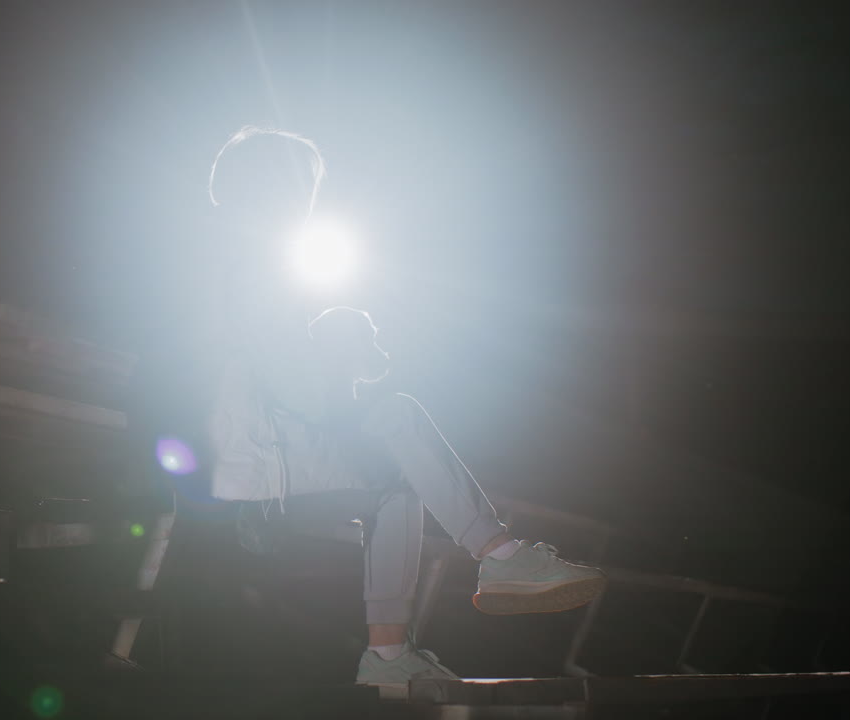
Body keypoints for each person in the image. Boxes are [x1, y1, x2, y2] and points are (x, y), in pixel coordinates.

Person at [202, 128, 605, 696]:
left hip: (248, 450)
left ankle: (397, 648)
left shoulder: (220, 252)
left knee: (398, 475)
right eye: (302, 187)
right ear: (268, 184)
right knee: (399, 417)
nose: (307, 202)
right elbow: (301, 393)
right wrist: (341, 372)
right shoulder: (254, 261)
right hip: (253, 460)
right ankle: (498, 559)